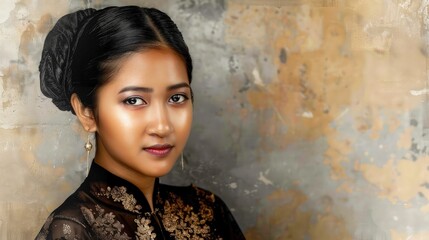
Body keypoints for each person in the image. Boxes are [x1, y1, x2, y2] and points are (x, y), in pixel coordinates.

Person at [35, 5, 245, 240]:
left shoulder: (208, 211)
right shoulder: (72, 228)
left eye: (176, 98)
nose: (163, 126)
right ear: (87, 112)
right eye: (134, 100)